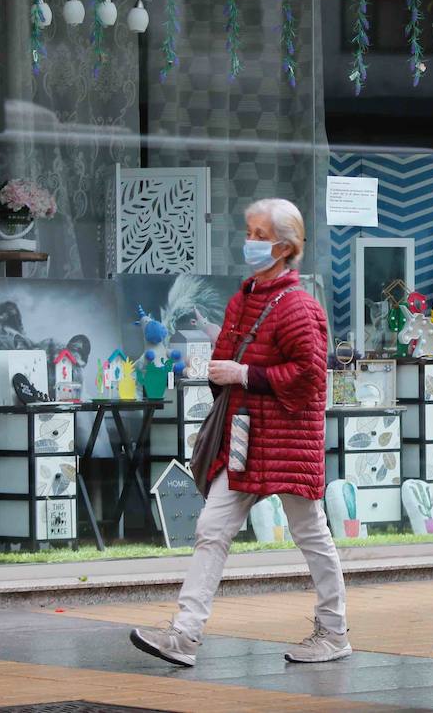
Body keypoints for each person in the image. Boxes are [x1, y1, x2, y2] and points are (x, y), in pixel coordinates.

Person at [131, 198, 350, 666]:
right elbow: (226, 362)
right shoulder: (243, 298)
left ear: (285, 247)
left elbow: (311, 376)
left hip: (287, 440)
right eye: (248, 231)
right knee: (211, 528)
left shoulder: (299, 308)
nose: (248, 242)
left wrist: (243, 374)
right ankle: (184, 635)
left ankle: (333, 633)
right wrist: (221, 371)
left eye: (257, 234)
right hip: (247, 438)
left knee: (310, 532)